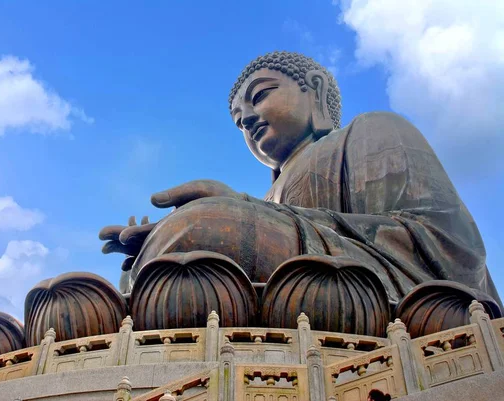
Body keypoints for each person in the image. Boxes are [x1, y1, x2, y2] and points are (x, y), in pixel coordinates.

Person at [100, 51, 501, 334]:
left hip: (375, 297)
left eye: (260, 96)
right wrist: (164, 242)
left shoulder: (371, 131)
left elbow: (449, 247)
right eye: (240, 122)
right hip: (293, 298)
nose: (250, 120)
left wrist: (234, 215)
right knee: (148, 273)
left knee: (205, 224)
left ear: (313, 88)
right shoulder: (268, 194)